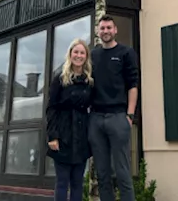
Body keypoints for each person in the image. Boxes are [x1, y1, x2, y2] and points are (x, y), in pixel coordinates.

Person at [88, 16, 138, 201]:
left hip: (118, 117)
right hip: (96, 118)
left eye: (109, 27)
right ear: (98, 31)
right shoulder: (93, 55)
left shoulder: (126, 52)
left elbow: (133, 84)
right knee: (102, 174)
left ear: (115, 30)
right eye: (102, 28)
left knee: (123, 172)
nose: (105, 31)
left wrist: (130, 115)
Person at [46, 40, 93, 201]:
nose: (78, 56)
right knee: (62, 182)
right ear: (70, 54)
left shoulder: (89, 81)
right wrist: (52, 136)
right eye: (76, 52)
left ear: (86, 57)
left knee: (78, 183)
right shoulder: (59, 78)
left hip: (81, 136)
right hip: (63, 134)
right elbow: (52, 108)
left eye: (82, 53)